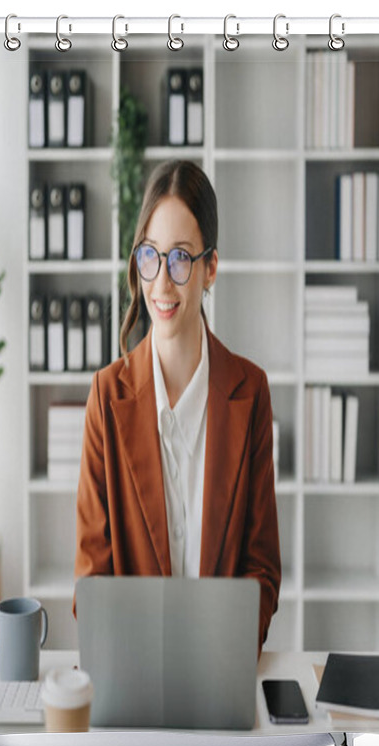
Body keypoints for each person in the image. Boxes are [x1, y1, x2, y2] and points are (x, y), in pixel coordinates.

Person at [73, 160, 281, 655]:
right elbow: (91, 579)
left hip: (223, 669)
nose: (162, 284)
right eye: (151, 256)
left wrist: (222, 656)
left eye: (181, 259)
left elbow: (262, 569)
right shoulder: (106, 398)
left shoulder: (250, 392)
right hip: (131, 674)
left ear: (211, 268)